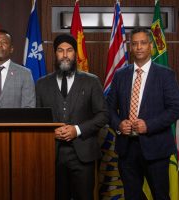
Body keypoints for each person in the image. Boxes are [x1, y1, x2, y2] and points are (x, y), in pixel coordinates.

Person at [107, 27, 179, 199]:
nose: (139, 47)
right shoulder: (120, 75)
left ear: (151, 47)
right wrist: (118, 124)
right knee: (132, 196)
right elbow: (108, 108)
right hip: (127, 149)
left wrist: (149, 125)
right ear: (131, 48)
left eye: (143, 43)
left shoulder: (165, 75)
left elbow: (175, 109)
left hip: (156, 148)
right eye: (135, 44)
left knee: (160, 195)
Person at [36, 34, 108, 200]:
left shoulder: (91, 81)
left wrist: (77, 130)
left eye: (69, 50)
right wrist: (50, 132)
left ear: (75, 54)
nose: (65, 54)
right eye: (60, 51)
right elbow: (36, 119)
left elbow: (104, 115)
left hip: (83, 154)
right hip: (52, 154)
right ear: (55, 54)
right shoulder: (41, 84)